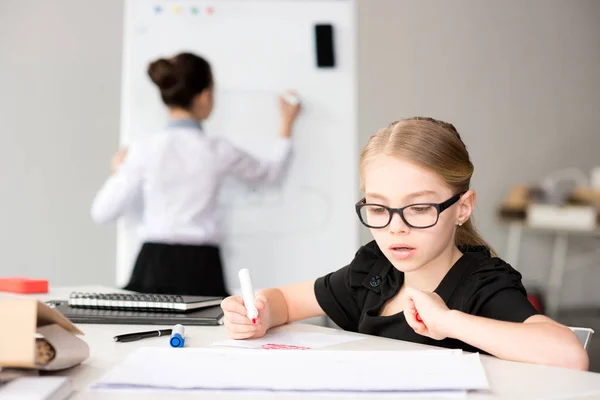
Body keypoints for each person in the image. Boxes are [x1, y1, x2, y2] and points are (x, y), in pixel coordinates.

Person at [221, 117, 589, 370]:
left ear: (462, 208)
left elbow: (569, 356)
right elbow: (286, 302)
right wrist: (259, 313)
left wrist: (449, 322)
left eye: (418, 208)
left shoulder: (481, 282)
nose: (396, 228)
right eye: (379, 208)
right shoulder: (373, 272)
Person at [91, 52, 301, 297]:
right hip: (202, 266)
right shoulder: (217, 150)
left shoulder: (143, 150)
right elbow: (270, 173)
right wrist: (286, 124)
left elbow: (102, 212)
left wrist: (119, 171)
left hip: (153, 264)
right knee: (211, 334)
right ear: (204, 96)